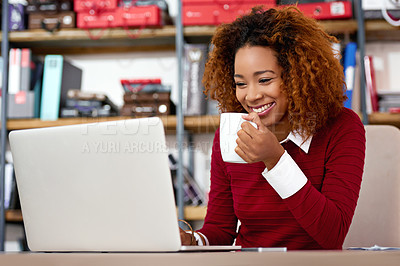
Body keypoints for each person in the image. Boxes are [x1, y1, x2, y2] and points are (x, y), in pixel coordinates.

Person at [180, 6, 366, 250]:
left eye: (265, 80)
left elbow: (332, 234)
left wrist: (275, 159)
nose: (252, 95)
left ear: (294, 74)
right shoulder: (230, 134)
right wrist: (192, 240)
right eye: (240, 83)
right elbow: (221, 230)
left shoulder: (342, 127)